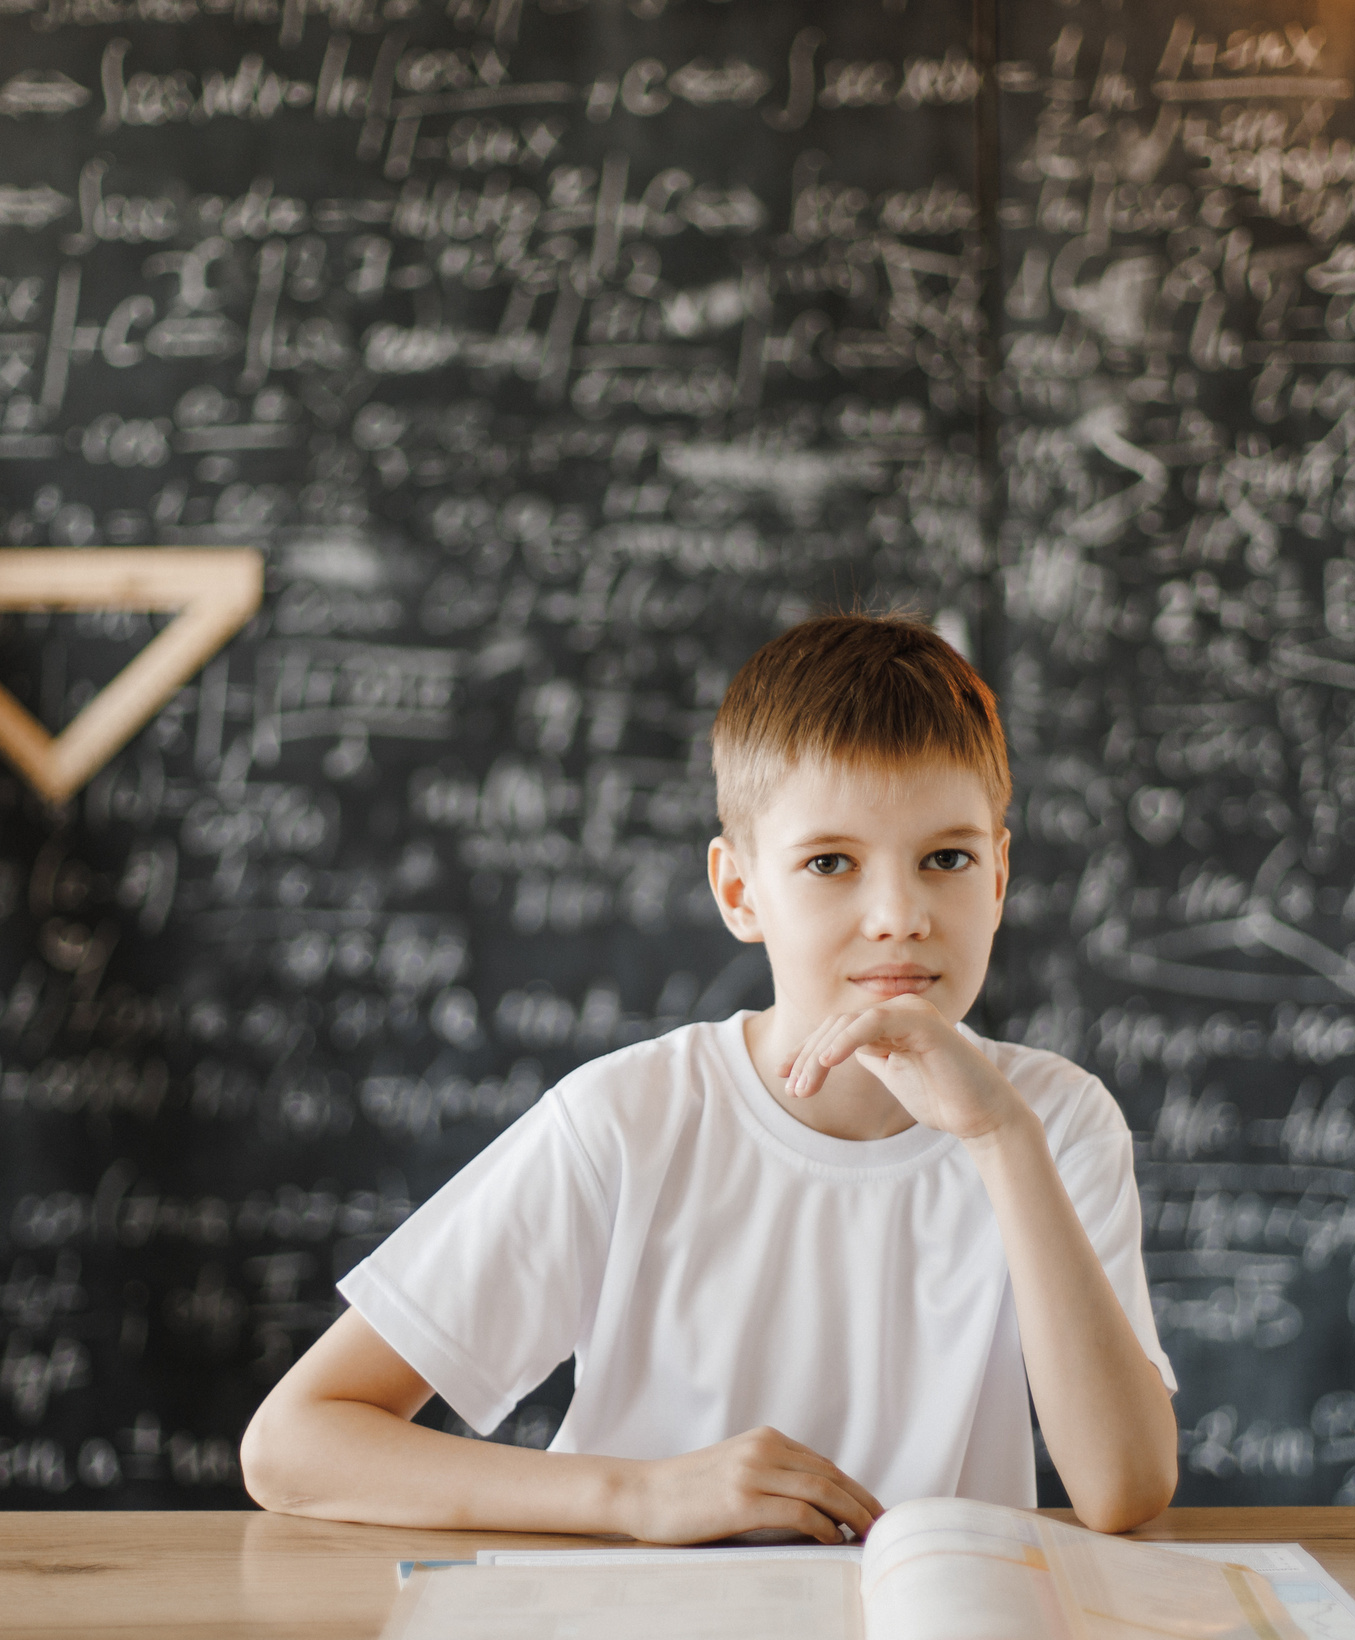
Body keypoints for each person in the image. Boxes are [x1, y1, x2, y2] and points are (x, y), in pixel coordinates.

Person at [241, 613, 1179, 1542]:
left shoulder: (1051, 1119)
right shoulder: (630, 1119)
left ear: (1001, 875)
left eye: (947, 858)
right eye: (829, 862)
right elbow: (293, 1443)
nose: (899, 913)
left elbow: (1124, 1489)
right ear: (740, 892)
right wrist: (644, 1496)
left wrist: (1000, 1140)